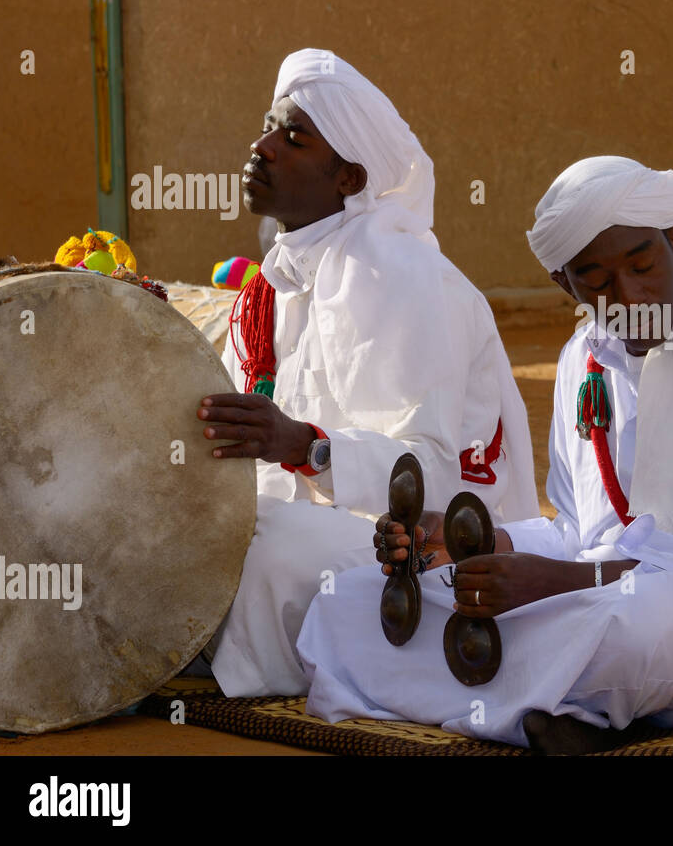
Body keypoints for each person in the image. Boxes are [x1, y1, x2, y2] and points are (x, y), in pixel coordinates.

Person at [297, 156, 673, 752]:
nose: (630, 296)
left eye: (643, 266)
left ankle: (556, 707)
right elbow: (576, 530)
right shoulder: (583, 361)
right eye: (597, 282)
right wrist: (482, 548)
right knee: (353, 603)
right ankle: (568, 713)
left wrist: (568, 581)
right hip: (595, 598)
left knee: (626, 628)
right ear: (565, 284)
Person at [201, 49, 538, 697]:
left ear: (349, 178)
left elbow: (437, 474)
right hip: (298, 527)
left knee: (264, 546)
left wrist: (303, 444)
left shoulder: (408, 278)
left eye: (293, 137)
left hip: (421, 551)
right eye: (269, 127)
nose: (262, 146)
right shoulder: (267, 287)